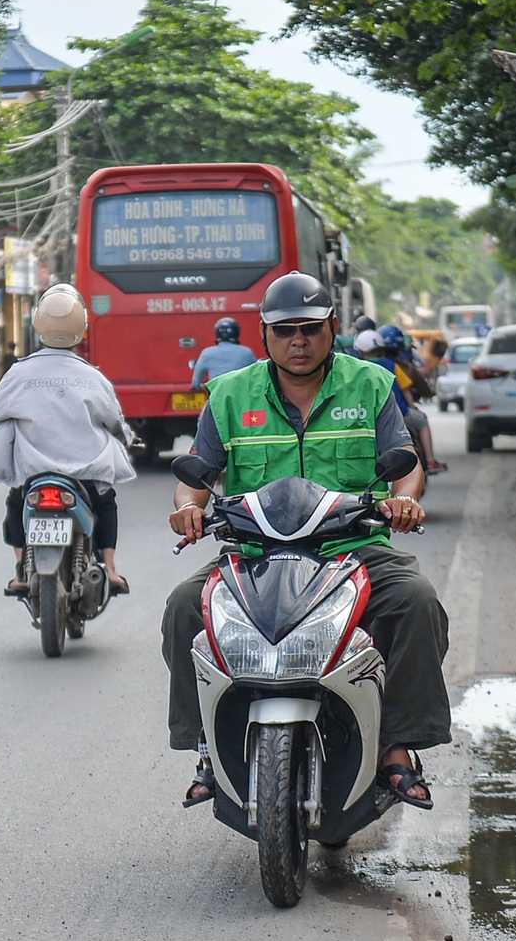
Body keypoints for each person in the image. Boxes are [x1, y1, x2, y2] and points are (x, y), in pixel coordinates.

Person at [163, 273, 450, 810]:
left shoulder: (371, 385)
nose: (299, 341)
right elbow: (196, 476)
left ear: (332, 329)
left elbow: (406, 464)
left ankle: (396, 747)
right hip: (255, 555)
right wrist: (188, 509)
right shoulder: (229, 394)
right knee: (183, 606)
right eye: (286, 330)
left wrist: (406, 500)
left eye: (311, 329)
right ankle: (207, 746)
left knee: (416, 601)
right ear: (265, 334)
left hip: (352, 551)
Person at [0, 284, 135, 597]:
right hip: (86, 477)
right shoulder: (93, 376)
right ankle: (111, 569)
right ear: (83, 328)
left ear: (38, 325)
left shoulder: (18, 373)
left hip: (35, 476)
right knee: (106, 503)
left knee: (15, 501)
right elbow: (114, 422)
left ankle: (22, 570)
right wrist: (126, 436)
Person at [357, 325, 447, 475]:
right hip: (401, 413)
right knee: (422, 421)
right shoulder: (393, 366)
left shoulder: (357, 369)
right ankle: (431, 461)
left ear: (359, 351)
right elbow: (406, 390)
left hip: (367, 416)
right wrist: (412, 407)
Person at [190, 317, 257, 387]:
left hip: (217, 396)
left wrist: (208, 388)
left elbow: (195, 384)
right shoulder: (247, 352)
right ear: (237, 333)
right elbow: (256, 377)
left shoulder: (206, 353)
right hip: (240, 396)